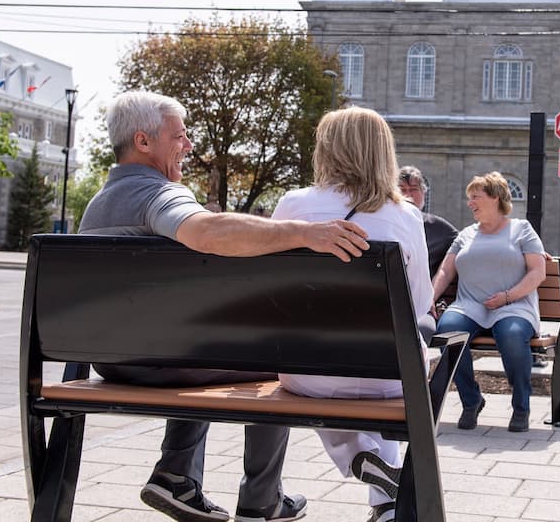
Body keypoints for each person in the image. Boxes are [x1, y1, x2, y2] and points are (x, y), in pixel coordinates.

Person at [79, 90, 370, 522]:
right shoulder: (155, 194)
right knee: (282, 359)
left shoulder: (98, 205)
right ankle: (260, 497)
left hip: (108, 358)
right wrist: (305, 234)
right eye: (179, 136)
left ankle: (178, 475)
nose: (189, 144)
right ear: (143, 142)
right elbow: (208, 233)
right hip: (154, 360)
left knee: (207, 341)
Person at [272, 107, 433, 522]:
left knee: (322, 367)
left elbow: (270, 293)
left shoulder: (295, 205)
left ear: (326, 150)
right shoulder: (407, 217)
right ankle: (385, 503)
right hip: (391, 374)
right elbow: (417, 304)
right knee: (396, 359)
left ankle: (359, 455)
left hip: (311, 373)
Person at [431, 171, 546, 433]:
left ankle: (521, 407)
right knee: (448, 332)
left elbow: (537, 272)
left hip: (513, 306)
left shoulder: (521, 229)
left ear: (495, 198)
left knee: (513, 336)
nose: (470, 203)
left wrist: (508, 296)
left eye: (476, 197)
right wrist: (430, 298)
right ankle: (471, 401)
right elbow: (446, 272)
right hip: (469, 305)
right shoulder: (466, 234)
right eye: (469, 198)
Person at [397, 165, 458, 279]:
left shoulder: (440, 228)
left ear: (423, 192)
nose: (408, 195)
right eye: (402, 190)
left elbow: (464, 244)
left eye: (414, 189)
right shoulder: (387, 223)